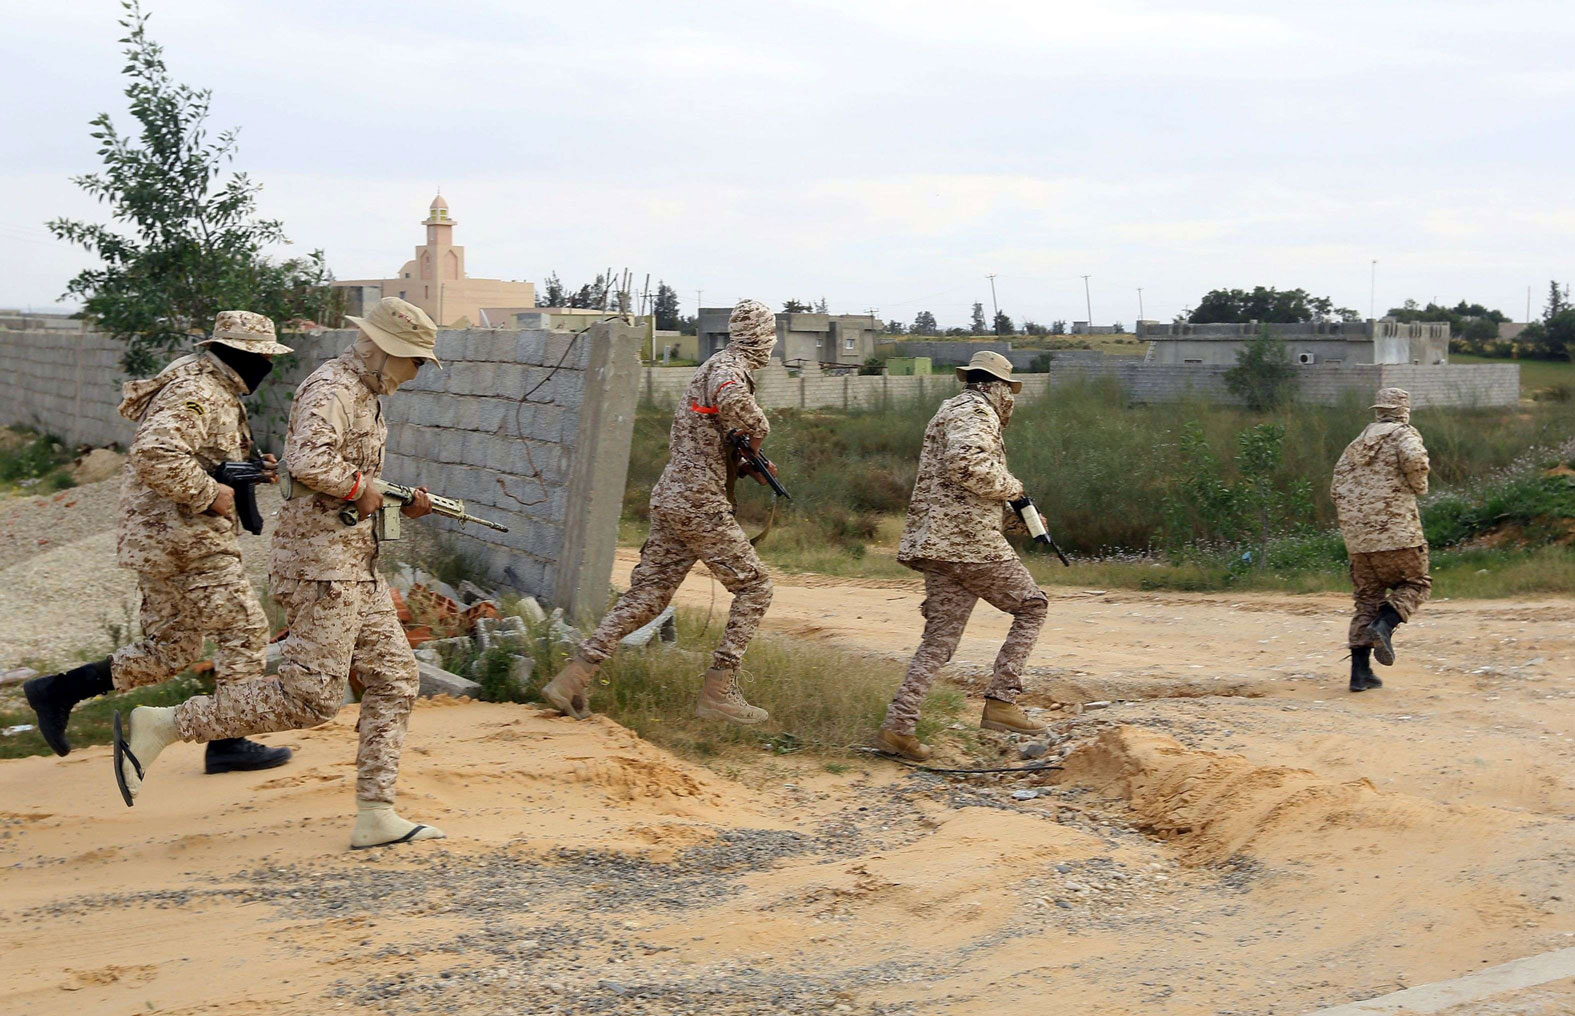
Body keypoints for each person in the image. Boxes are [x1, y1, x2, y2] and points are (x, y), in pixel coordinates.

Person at [111, 297, 446, 850]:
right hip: (322, 568)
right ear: (387, 352)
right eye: (413, 361)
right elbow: (311, 462)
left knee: (394, 678)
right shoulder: (334, 388)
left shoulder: (365, 394)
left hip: (353, 562)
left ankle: (375, 812)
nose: (414, 373)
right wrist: (366, 490)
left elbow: (338, 476)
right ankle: (167, 723)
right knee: (310, 699)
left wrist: (393, 502)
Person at [24, 310, 294, 775]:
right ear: (246, 354)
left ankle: (59, 690)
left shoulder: (212, 386)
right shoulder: (198, 391)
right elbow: (155, 453)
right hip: (184, 539)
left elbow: (205, 458)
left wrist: (251, 471)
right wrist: (210, 493)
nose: (268, 363)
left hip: (161, 539)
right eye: (265, 355)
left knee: (171, 649)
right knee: (245, 630)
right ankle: (230, 739)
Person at [541, 298, 778, 725]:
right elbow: (738, 405)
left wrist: (742, 463)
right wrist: (758, 435)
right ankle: (718, 691)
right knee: (756, 588)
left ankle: (573, 678)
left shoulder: (709, 367)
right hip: (698, 502)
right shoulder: (729, 372)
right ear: (765, 339)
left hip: (672, 497)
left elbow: (709, 432)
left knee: (648, 596)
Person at [875, 350, 1050, 762]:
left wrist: (1014, 518)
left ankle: (898, 728)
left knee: (938, 641)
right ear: (998, 386)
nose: (1011, 398)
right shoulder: (978, 412)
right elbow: (966, 464)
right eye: (1009, 389)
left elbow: (957, 491)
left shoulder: (949, 412)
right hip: (969, 545)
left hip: (938, 544)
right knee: (1032, 606)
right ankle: (1001, 702)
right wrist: (1015, 489)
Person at [1330, 387, 1432, 693]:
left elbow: (1336, 488)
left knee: (1366, 600)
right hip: (1398, 533)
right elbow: (1416, 461)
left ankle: (1360, 674)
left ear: (1378, 410)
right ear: (1403, 410)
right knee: (1416, 584)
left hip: (1359, 541)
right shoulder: (1404, 434)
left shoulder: (1355, 444)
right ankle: (1384, 626)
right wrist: (1419, 486)